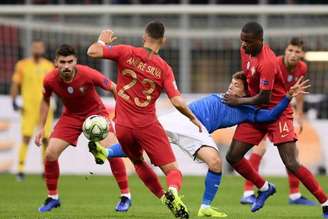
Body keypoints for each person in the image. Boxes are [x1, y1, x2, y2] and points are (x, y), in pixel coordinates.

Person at [88, 71, 309, 218]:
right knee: (210, 161)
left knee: (214, 162)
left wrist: (287, 97)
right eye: (231, 83)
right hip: (188, 122)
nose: (231, 87)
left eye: (236, 85)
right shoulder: (228, 99)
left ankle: (204, 208)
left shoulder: (247, 111)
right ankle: (105, 151)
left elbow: (268, 116)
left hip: (191, 128)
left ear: (245, 91)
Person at [87, 20, 202, 219]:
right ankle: (172, 192)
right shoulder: (164, 68)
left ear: (144, 37)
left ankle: (163, 198)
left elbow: (92, 52)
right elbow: (176, 100)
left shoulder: (125, 52)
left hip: (122, 125)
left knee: (138, 161)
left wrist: (102, 41)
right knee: (173, 171)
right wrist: (192, 118)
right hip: (147, 125)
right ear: (163, 40)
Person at [223, 21, 328, 218]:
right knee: (232, 156)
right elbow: (248, 76)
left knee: (291, 162)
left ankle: (325, 202)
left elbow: (265, 97)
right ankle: (263, 188)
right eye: (242, 40)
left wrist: (238, 101)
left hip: (276, 112)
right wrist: (236, 88)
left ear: (260, 41)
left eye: (248, 41)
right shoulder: (245, 50)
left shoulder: (269, 62)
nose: (243, 45)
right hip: (255, 112)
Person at [34, 44, 131, 213]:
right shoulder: (49, 79)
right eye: (62, 62)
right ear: (55, 63)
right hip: (71, 117)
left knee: (112, 150)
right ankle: (53, 198)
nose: (66, 66)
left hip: (96, 115)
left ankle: (125, 196)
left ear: (75, 61)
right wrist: (41, 127)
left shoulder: (87, 73)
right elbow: (45, 100)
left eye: (70, 61)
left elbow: (114, 87)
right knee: (50, 153)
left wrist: (120, 116)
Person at [240, 37, 315, 206]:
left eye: (297, 51)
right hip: (264, 110)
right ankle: (247, 191)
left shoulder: (302, 68)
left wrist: (299, 114)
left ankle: (294, 195)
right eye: (290, 50)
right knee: (260, 148)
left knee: (292, 153)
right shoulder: (274, 63)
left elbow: (300, 91)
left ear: (302, 54)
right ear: (285, 51)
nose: (293, 54)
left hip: (281, 112)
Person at [10, 40, 54, 181]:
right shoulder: (22, 65)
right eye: (35, 46)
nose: (37, 49)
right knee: (26, 137)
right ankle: (21, 170)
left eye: (40, 47)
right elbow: (16, 83)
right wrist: (14, 100)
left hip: (45, 107)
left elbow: (56, 85)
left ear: (43, 49)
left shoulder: (49, 66)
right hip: (28, 107)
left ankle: (45, 170)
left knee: (46, 139)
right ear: (31, 48)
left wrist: (60, 101)